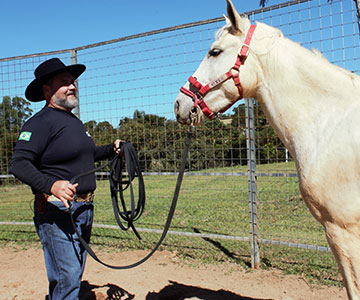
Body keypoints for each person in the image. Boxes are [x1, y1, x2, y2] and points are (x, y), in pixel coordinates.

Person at [9, 57, 121, 300]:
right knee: (67, 278)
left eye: (72, 82)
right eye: (64, 82)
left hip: (84, 208)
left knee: (73, 274)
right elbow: (18, 164)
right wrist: (52, 185)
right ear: (47, 90)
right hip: (57, 210)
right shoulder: (38, 123)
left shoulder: (73, 122)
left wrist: (112, 149)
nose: (72, 86)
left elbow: (88, 154)